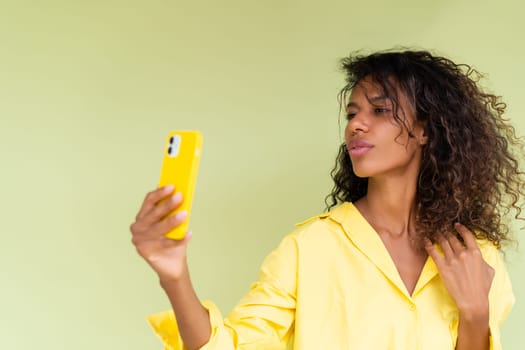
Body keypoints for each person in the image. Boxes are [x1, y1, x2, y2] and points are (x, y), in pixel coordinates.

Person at [130, 49, 524, 350]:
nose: (356, 123)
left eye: (379, 110)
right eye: (352, 112)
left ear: (424, 130)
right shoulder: (308, 249)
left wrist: (475, 316)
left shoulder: (476, 258)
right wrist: (174, 276)